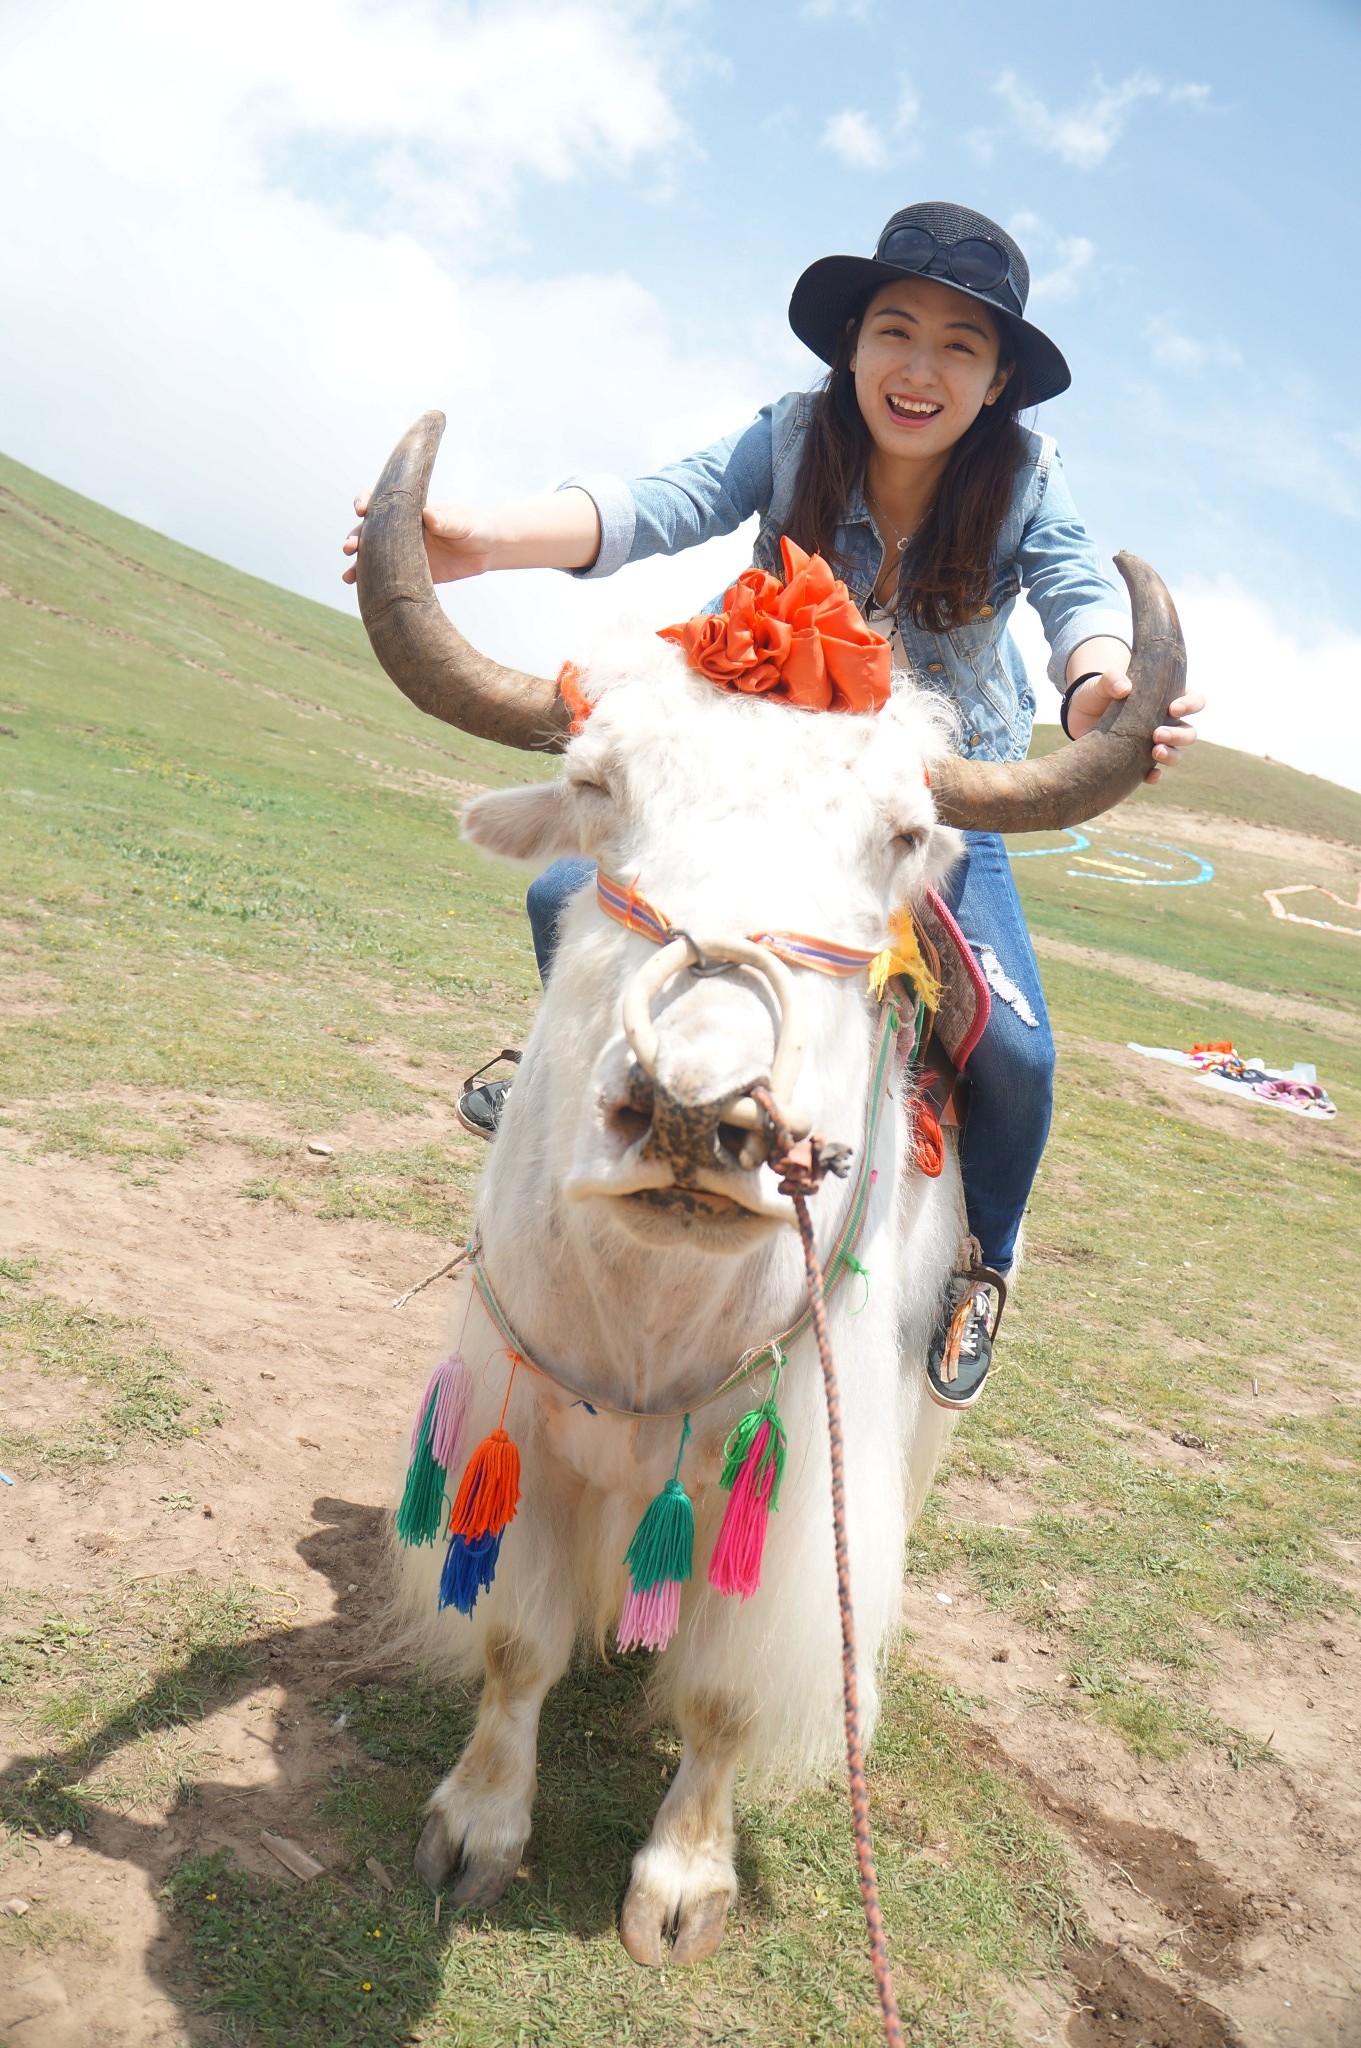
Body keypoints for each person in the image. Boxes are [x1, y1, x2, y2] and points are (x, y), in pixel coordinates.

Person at [342, 200, 1202, 1411]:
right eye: (893, 330)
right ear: (847, 344)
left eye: (960, 346)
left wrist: (1102, 687)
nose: (918, 368)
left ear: (999, 379)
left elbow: (1075, 596)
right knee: (559, 892)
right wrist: (482, 537)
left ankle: (978, 1269)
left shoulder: (1021, 485)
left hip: (905, 810)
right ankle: (567, 1088)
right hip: (746, 783)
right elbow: (658, 502)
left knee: (1013, 1050)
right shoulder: (792, 439)